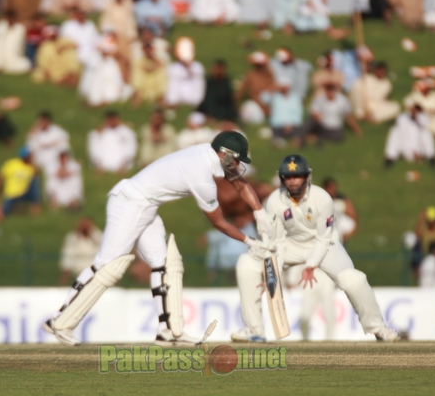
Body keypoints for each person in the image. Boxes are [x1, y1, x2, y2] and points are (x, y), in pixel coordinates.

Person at [45, 132, 273, 346]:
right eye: (235, 159)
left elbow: (239, 183)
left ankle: (169, 331)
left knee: (165, 265)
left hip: (145, 204)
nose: (237, 165)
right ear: (223, 153)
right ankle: (60, 321)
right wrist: (250, 242)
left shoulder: (208, 152)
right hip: (131, 202)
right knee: (108, 265)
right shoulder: (201, 175)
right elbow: (219, 222)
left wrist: (259, 212)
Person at [234, 154, 398, 342]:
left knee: (353, 279)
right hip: (291, 244)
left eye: (298, 176)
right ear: (281, 178)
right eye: (288, 176)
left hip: (325, 243)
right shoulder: (273, 202)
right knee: (247, 263)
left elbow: (323, 238)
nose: (293, 181)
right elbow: (276, 243)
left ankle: (378, 328)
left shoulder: (322, 198)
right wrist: (273, 276)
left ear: (307, 177)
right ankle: (254, 328)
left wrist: (311, 264)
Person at [0, 147, 41, 220]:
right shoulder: (12, 164)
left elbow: (36, 173)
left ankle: (35, 205)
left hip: (24, 193)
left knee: (34, 180)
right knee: (8, 205)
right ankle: (0, 212)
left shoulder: (30, 167)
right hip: (12, 194)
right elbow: (0, 177)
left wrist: (33, 164)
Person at [236, 51, 276, 123]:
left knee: (247, 106)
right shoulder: (252, 75)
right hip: (261, 110)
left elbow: (241, 93)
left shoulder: (268, 76)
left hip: (264, 110)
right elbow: (241, 92)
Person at [59, 217, 103, 283]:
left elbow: (101, 246)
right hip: (78, 269)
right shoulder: (72, 237)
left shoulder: (98, 235)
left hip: (95, 268)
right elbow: (68, 253)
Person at [0, 10, 31, 74]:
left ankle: (5, 67)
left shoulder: (19, 28)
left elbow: (19, 46)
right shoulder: (0, 26)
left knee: (26, 65)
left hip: (13, 58)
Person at [261, 80, 303, 147]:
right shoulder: (275, 96)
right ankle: (278, 141)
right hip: (278, 125)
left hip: (292, 125)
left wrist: (291, 125)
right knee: (275, 130)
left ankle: (296, 141)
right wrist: (273, 88)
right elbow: (263, 99)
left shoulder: (295, 97)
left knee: (298, 131)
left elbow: (298, 114)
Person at [165, 37, 205, 107]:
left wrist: (188, 67)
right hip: (178, 97)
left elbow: (198, 83)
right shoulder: (173, 68)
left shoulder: (198, 67)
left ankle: (197, 103)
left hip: (193, 97)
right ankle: (173, 103)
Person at [130, 36, 168, 104]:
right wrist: (152, 67)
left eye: (150, 48)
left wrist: (153, 58)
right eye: (146, 48)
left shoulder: (159, 58)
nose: (148, 50)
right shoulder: (138, 59)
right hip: (143, 87)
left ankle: (161, 97)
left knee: (161, 73)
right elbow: (143, 67)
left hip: (155, 86)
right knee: (137, 73)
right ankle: (137, 97)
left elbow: (162, 65)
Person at [321, 177, 358, 243]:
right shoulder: (319, 200)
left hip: (338, 235)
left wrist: (347, 235)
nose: (331, 190)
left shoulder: (342, 200)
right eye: (329, 187)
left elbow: (353, 216)